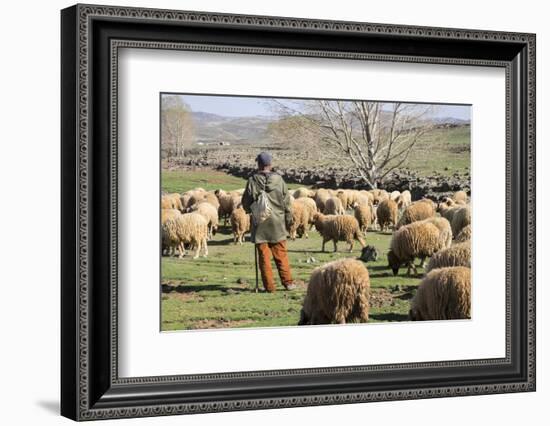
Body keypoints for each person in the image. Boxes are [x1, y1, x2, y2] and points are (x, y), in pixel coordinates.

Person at [242, 152, 296, 292]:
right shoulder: (280, 181)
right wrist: (289, 221)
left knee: (264, 257)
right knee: (281, 255)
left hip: (260, 223)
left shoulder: (252, 180)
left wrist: (251, 210)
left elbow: (246, 203)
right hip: (277, 223)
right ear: (270, 165)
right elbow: (287, 203)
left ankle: (269, 287)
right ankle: (288, 283)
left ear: (259, 164)